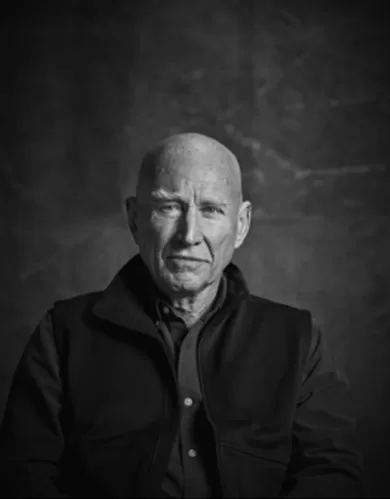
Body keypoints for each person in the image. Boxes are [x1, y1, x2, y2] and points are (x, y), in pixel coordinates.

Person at [0, 132, 367, 498]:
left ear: (241, 225)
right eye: (169, 207)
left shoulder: (298, 338)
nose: (188, 235)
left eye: (211, 210)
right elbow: (23, 473)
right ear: (134, 219)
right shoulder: (63, 333)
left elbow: (331, 471)